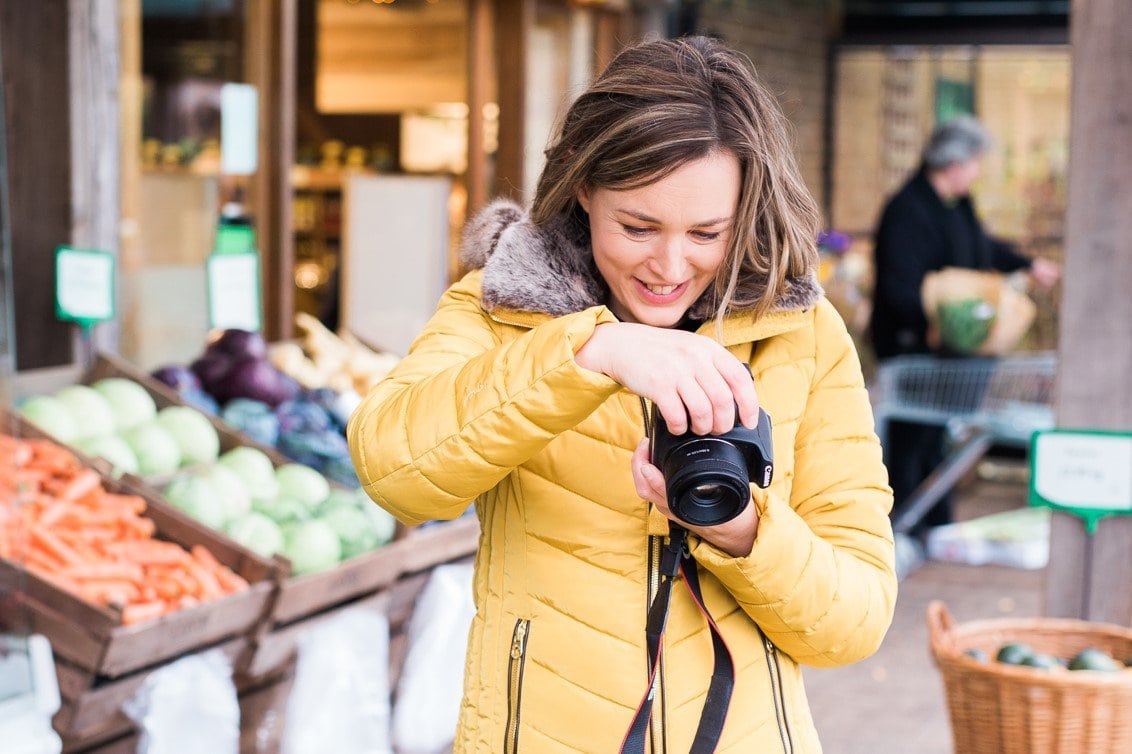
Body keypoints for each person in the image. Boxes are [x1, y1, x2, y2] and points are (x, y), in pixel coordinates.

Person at [349, 36, 895, 754]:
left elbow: (854, 621)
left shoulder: (802, 333)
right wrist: (586, 352)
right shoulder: (502, 312)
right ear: (583, 186)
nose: (670, 266)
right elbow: (393, 471)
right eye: (638, 227)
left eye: (707, 233)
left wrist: (743, 532)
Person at [868, 116, 1061, 534]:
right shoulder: (907, 211)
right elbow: (901, 291)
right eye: (975, 162)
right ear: (954, 164)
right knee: (910, 443)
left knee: (936, 440)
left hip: (947, 356)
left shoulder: (958, 207)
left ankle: (934, 528)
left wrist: (1027, 264)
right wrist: (948, 321)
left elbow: (982, 247)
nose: (976, 171)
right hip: (914, 348)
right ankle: (903, 531)